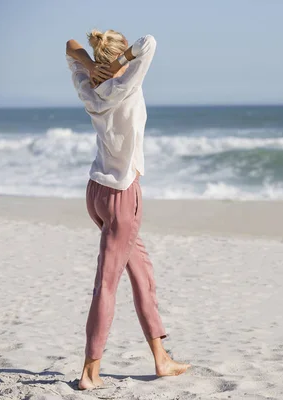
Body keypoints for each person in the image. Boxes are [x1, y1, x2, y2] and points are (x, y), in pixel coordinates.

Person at [65, 29, 190, 390]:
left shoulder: (86, 87)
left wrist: (90, 67)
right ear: (121, 59)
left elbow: (70, 49)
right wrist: (120, 64)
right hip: (123, 196)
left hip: (97, 192)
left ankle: (161, 358)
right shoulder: (127, 84)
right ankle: (90, 372)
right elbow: (149, 41)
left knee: (142, 274)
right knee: (106, 284)